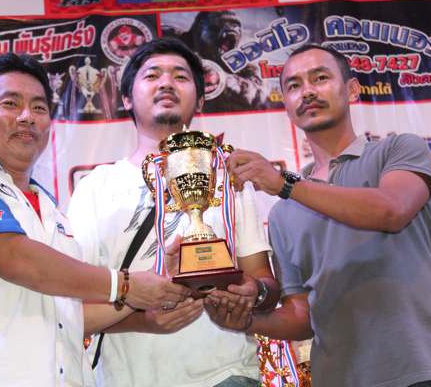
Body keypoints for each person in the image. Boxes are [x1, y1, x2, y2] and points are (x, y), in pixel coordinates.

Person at [0, 53, 190, 387]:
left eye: (39, 108)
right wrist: (126, 285)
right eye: (10, 103)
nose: (27, 116)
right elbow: (15, 258)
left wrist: (149, 296)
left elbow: (66, 313)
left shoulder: (51, 210)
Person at [214, 43, 431, 386]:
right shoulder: (282, 213)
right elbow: (302, 316)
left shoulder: (397, 150)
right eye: (294, 85)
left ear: (352, 89)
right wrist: (246, 321)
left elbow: (391, 210)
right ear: (286, 106)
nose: (307, 91)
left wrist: (284, 184)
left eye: (320, 78)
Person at [67, 37, 280, 387]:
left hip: (226, 376)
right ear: (126, 98)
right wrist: (142, 320)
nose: (166, 82)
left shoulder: (228, 177)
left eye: (180, 76)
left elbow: (266, 285)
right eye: (152, 75)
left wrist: (251, 294)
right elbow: (74, 311)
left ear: (200, 98)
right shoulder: (95, 187)